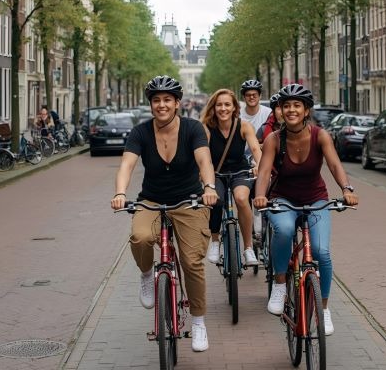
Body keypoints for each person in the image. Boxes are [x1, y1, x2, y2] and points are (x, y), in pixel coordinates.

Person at [110, 75, 218, 352]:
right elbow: (127, 165)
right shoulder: (141, 132)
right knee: (140, 236)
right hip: (152, 200)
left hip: (189, 201)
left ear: (177, 103)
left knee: (192, 262)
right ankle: (147, 274)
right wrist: (121, 193)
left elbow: (204, 160)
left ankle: (198, 323)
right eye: (156, 100)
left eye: (167, 100)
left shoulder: (193, 128)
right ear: (151, 105)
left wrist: (209, 186)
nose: (161, 105)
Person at [253, 83, 359, 336]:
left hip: (316, 199)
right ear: (280, 110)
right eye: (286, 105)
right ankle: (279, 284)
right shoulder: (273, 139)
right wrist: (259, 196)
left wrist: (346, 189)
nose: (291, 110)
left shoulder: (320, 135)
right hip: (283, 199)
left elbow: (334, 165)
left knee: (322, 252)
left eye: (296, 106)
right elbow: (265, 170)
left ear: (306, 110)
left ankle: (323, 309)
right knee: (285, 230)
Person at [200, 88, 262, 266]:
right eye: (219, 105)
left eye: (227, 104)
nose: (223, 108)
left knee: (242, 199)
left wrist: (258, 165)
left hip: (240, 172)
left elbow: (256, 149)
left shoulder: (243, 126)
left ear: (235, 107)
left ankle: (248, 248)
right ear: (213, 107)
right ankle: (215, 241)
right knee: (214, 200)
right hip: (215, 173)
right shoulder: (207, 128)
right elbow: (202, 154)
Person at [240, 79, 272, 145]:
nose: (251, 97)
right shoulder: (237, 115)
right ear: (244, 97)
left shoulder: (269, 113)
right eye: (248, 95)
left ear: (260, 96)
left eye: (254, 95)